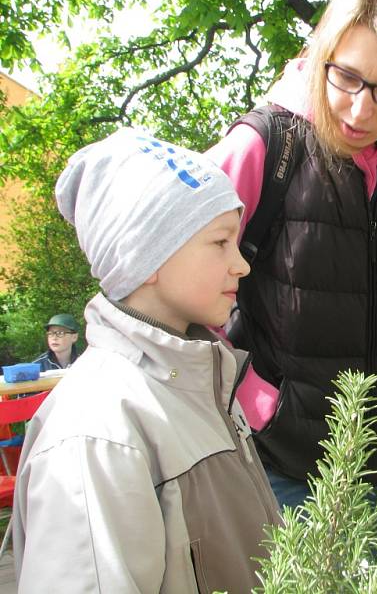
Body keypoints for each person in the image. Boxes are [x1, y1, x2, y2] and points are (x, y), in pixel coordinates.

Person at [206, 0, 377, 584]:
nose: (358, 110)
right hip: (280, 458)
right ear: (324, 53)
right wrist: (258, 403)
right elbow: (182, 297)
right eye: (347, 76)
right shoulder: (263, 147)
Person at [12, 128, 282, 592]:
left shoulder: (204, 380)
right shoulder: (97, 433)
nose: (242, 265)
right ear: (146, 254)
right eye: (220, 242)